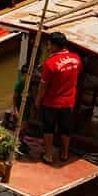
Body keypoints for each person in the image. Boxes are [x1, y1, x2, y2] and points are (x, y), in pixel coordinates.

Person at [36, 31, 83, 164]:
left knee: (48, 128)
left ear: (55, 45)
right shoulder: (76, 58)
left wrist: (38, 100)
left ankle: (48, 156)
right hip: (69, 102)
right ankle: (64, 154)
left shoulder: (50, 64)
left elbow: (43, 86)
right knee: (65, 129)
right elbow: (77, 74)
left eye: (49, 44)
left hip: (52, 103)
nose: (48, 47)